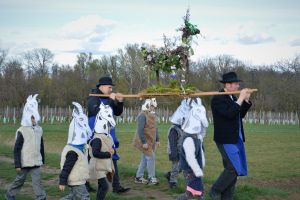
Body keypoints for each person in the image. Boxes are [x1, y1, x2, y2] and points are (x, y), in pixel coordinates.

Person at [209, 72, 252, 200]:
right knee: (233, 168)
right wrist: (239, 99)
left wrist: (246, 100)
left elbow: (238, 114)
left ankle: (227, 197)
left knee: (233, 169)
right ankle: (215, 190)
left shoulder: (232, 97)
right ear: (227, 85)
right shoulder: (218, 99)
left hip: (236, 137)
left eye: (238, 84)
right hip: (225, 139)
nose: (238, 86)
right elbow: (229, 114)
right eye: (236, 84)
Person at [87, 76, 130, 194]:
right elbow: (97, 111)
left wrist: (120, 101)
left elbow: (117, 112)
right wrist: (111, 100)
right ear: (102, 87)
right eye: (109, 87)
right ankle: (85, 184)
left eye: (111, 87)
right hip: (95, 133)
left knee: (112, 155)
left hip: (109, 133)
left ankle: (116, 187)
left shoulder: (108, 97)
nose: (111, 89)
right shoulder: (93, 98)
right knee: (91, 157)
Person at [5, 94, 46, 200]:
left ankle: (41, 197)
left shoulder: (39, 130)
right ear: (28, 117)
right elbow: (16, 149)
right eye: (32, 118)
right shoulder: (22, 131)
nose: (34, 120)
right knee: (19, 180)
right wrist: (18, 164)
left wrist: (42, 160)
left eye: (35, 118)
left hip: (36, 162)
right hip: (24, 162)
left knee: (37, 181)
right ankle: (10, 194)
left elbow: (41, 146)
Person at [176, 98, 208, 200]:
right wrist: (197, 170)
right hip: (190, 167)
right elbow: (190, 157)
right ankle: (187, 196)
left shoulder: (197, 137)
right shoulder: (188, 138)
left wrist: (201, 164)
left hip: (196, 165)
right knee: (191, 182)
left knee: (198, 183)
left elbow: (200, 152)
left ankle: (197, 195)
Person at [59, 102, 92, 200]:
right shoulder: (73, 151)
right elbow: (66, 167)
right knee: (85, 196)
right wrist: (62, 182)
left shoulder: (81, 148)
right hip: (75, 180)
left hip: (78, 178)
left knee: (72, 196)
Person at [88, 103, 116, 200]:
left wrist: (112, 151)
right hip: (97, 167)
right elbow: (95, 153)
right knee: (105, 187)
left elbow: (109, 149)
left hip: (102, 166)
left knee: (101, 186)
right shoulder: (97, 139)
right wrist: (108, 154)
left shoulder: (105, 137)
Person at [164, 98, 191, 188]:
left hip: (182, 151)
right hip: (175, 151)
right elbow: (172, 143)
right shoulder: (174, 130)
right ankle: (173, 182)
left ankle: (170, 174)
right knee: (176, 167)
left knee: (181, 166)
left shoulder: (183, 129)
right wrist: (174, 153)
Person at [134, 98, 160, 185]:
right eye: (152, 106)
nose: (153, 108)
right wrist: (144, 142)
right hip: (144, 141)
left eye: (153, 107)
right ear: (148, 105)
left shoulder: (152, 115)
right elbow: (140, 130)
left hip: (150, 140)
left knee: (144, 159)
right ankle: (151, 178)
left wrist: (157, 140)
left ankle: (138, 177)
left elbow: (155, 128)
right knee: (151, 157)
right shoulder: (142, 115)